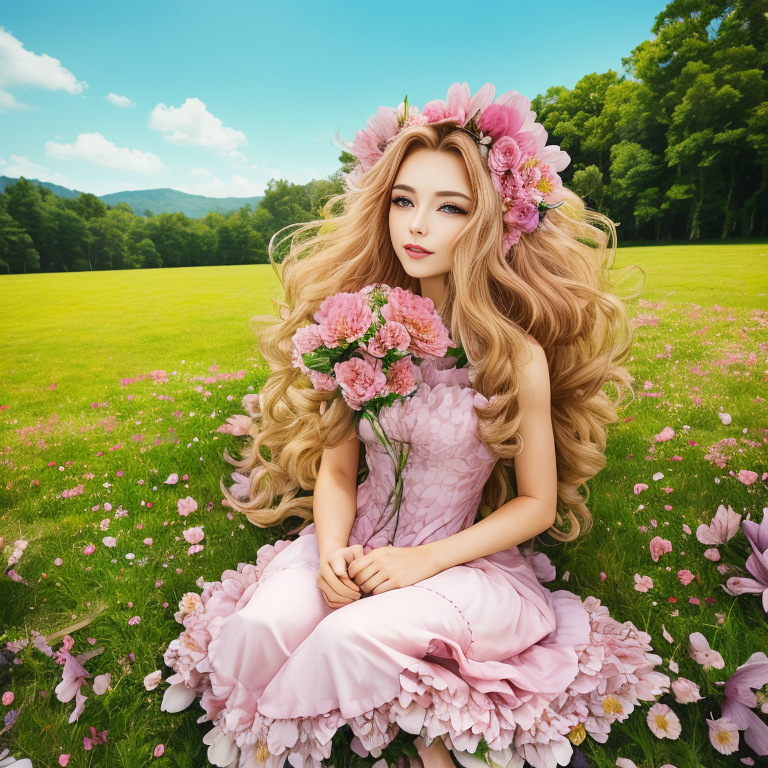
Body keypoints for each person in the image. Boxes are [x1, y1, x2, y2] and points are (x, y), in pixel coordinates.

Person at [160, 82, 668, 768]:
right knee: (256, 630)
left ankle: (383, 719)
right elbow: (340, 467)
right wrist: (334, 548)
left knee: (349, 639)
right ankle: (360, 716)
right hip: (356, 538)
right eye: (403, 200)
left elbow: (536, 503)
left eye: (448, 206)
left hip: (462, 563)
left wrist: (422, 562)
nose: (416, 226)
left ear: (490, 222)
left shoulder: (514, 353)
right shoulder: (362, 323)